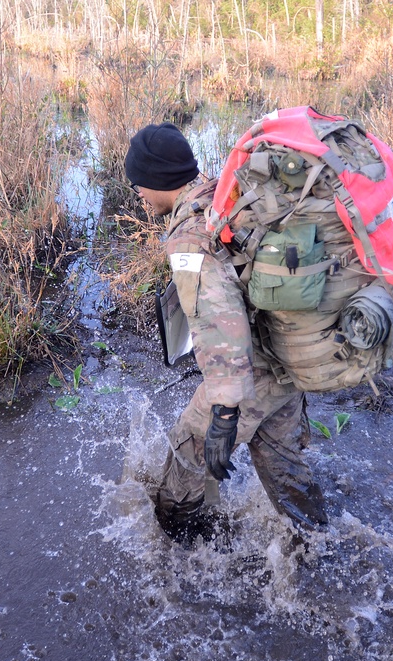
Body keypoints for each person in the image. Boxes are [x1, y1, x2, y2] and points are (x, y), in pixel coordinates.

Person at [124, 121, 331, 538]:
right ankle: (318, 548)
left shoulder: (188, 238)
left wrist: (222, 413)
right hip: (286, 356)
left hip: (249, 370)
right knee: (284, 471)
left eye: (138, 184)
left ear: (156, 180)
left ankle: (186, 565)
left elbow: (220, 325)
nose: (139, 195)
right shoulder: (224, 193)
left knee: (182, 467)